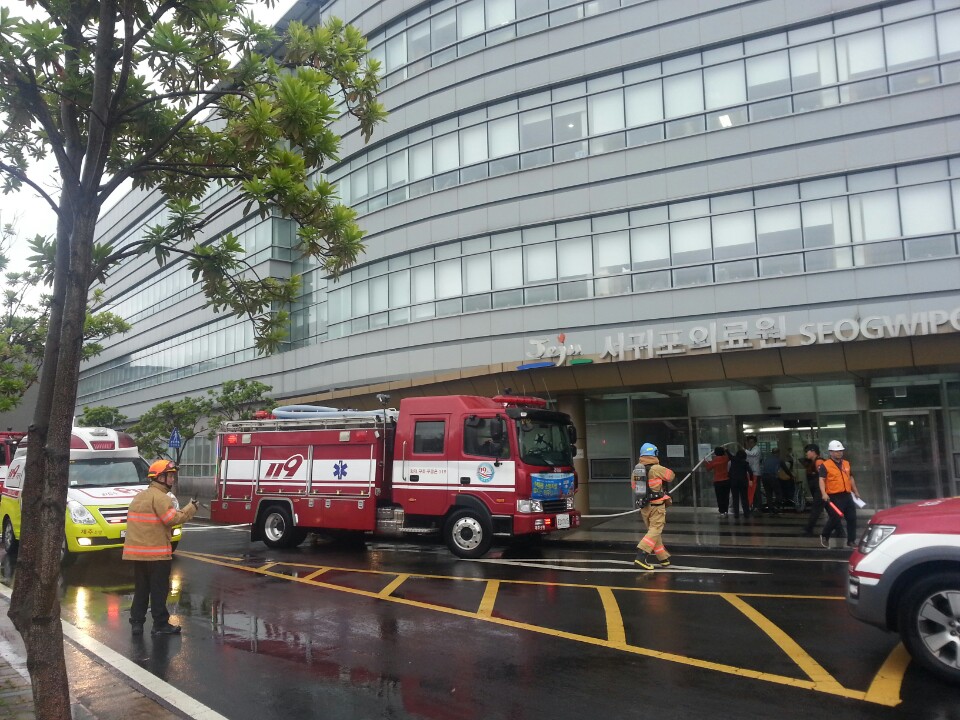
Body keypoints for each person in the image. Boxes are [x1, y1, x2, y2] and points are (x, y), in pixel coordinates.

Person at [124, 459, 197, 635]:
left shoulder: (139, 496)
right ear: (159, 477)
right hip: (157, 555)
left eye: (172, 476)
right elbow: (172, 519)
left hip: (137, 555)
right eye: (169, 476)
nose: (172, 479)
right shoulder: (161, 498)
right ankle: (160, 625)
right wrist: (191, 508)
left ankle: (137, 623)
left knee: (141, 590)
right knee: (158, 590)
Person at [633, 442, 675, 570]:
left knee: (654, 532)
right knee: (655, 530)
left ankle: (663, 558)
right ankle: (641, 555)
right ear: (654, 454)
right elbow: (671, 476)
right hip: (657, 506)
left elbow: (634, 487)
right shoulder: (657, 469)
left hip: (644, 506)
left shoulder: (636, 470)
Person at [818, 440, 861, 549]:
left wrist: (855, 491)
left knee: (852, 518)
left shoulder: (846, 463)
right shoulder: (825, 465)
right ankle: (825, 535)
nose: (839, 453)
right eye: (836, 451)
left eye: (840, 451)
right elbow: (821, 480)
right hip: (834, 496)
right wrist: (824, 493)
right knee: (835, 517)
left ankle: (851, 541)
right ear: (830, 452)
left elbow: (850, 477)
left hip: (847, 495)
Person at [800, 443, 825, 536]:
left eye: (807, 451)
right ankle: (840, 531)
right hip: (818, 491)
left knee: (815, 509)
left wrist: (823, 492)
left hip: (820, 491)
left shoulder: (819, 462)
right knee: (831, 511)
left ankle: (809, 528)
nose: (806, 453)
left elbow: (823, 476)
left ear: (813, 451)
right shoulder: (813, 462)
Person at [703, 447, 730, 516]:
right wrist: (727, 451)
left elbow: (708, 468)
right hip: (726, 480)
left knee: (719, 497)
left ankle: (721, 511)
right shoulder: (725, 458)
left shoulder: (715, 461)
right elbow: (730, 457)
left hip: (718, 481)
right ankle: (726, 510)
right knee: (726, 496)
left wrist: (705, 461)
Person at [727, 449, 753, 520]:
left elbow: (729, 455)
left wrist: (726, 450)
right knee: (744, 498)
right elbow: (750, 472)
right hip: (743, 482)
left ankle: (736, 514)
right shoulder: (745, 463)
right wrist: (751, 480)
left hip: (734, 482)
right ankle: (746, 513)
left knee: (735, 498)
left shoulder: (733, 460)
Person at [760, 447, 783, 514]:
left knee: (768, 494)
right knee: (778, 493)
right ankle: (776, 507)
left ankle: (770, 509)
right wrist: (791, 476)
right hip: (772, 477)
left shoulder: (767, 459)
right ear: (778, 453)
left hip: (764, 478)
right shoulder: (779, 460)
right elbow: (786, 469)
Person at [743, 435, 762, 511]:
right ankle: (754, 505)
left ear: (755, 442)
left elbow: (752, 454)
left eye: (752, 442)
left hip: (755, 473)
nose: (750, 444)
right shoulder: (750, 449)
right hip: (751, 473)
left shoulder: (756, 449)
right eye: (749, 442)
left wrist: (744, 450)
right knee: (752, 491)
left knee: (756, 490)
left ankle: (758, 506)